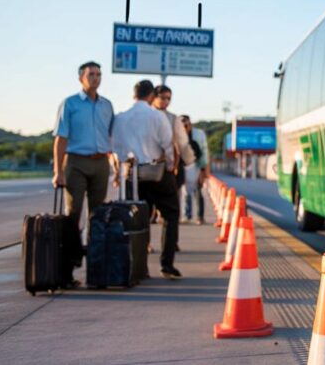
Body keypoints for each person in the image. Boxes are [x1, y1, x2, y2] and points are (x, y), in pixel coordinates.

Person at [113, 80, 183, 280]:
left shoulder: (120, 118)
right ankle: (167, 265)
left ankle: (138, 267)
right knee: (171, 215)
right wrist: (170, 166)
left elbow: (116, 149)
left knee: (137, 220)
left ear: (133, 94)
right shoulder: (157, 116)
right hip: (157, 173)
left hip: (133, 174)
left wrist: (121, 170)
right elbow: (168, 145)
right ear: (151, 95)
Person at [52, 61, 114, 245]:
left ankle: (95, 256)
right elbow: (61, 139)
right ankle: (70, 258)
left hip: (101, 162)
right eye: (91, 75)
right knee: (73, 211)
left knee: (98, 213)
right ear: (81, 78)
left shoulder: (107, 105)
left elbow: (111, 138)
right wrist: (58, 171)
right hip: (76, 162)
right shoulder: (70, 104)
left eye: (98, 75)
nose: (95, 78)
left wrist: (116, 166)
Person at [180, 114, 210, 224]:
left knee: (198, 191)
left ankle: (200, 217)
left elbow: (204, 153)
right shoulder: (177, 134)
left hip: (197, 166)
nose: (184, 127)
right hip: (182, 167)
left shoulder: (199, 134)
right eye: (182, 125)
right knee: (185, 192)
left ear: (190, 124)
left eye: (186, 124)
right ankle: (187, 216)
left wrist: (203, 171)